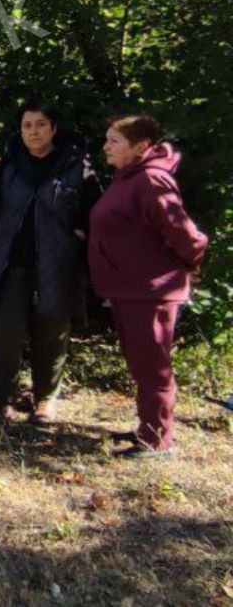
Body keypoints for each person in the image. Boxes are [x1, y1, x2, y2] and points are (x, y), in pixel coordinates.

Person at [90, 115, 207, 459]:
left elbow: (185, 234)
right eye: (107, 139)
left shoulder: (152, 180)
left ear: (141, 146)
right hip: (129, 288)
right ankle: (149, 426)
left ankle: (157, 440)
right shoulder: (129, 177)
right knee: (141, 361)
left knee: (152, 365)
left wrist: (191, 263)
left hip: (150, 290)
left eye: (114, 141)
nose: (106, 147)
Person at [0, 102, 101, 425]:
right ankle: (4, 397)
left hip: (57, 261)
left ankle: (45, 398)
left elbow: (95, 208)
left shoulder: (75, 164)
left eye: (41, 124)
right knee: (3, 332)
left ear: (54, 128)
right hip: (9, 263)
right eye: (27, 125)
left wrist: (79, 233)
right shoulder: (9, 164)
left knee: (52, 331)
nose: (33, 131)